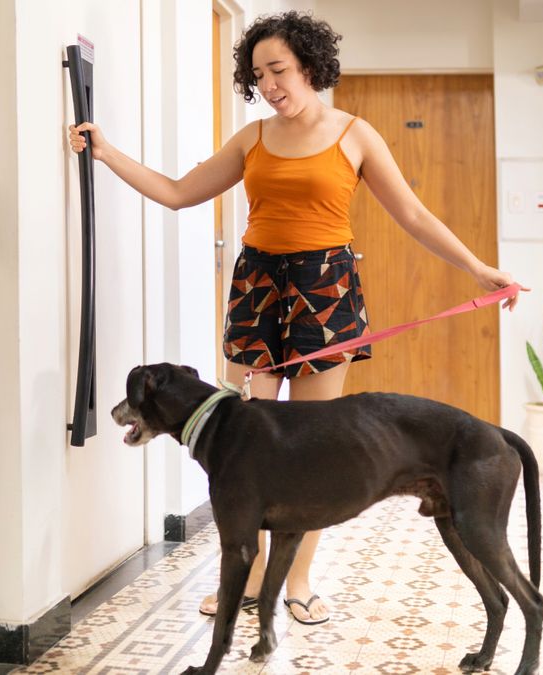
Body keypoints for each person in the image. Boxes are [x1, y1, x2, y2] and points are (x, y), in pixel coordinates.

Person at [68, 11, 520, 626]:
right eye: (258, 75)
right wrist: (106, 152)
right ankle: (252, 578)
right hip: (257, 288)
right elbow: (177, 192)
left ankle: (299, 581)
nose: (270, 84)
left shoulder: (355, 134)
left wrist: (478, 268)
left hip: (325, 290)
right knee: (249, 438)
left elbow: (413, 216)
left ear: (309, 65)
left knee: (315, 442)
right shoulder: (252, 139)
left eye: (278, 69)